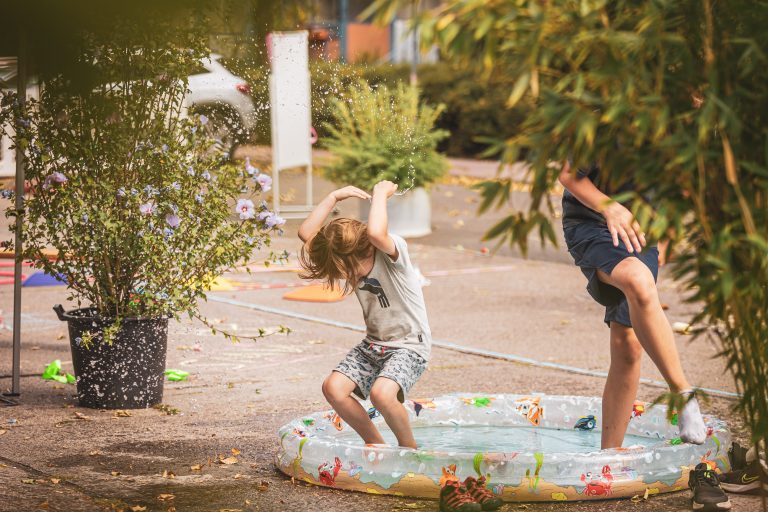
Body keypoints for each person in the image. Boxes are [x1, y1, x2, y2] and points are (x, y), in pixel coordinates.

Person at [558, 160, 708, 450]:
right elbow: (569, 175)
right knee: (638, 281)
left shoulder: (687, 129)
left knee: (627, 345)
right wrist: (610, 207)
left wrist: (665, 239)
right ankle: (683, 394)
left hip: (643, 233)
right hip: (593, 225)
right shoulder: (603, 117)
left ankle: (608, 457)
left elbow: (682, 192)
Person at [297, 181, 430, 450]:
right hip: (373, 344)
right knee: (333, 388)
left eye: (347, 268)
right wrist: (333, 196)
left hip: (409, 346)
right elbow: (306, 233)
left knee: (382, 394)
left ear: (367, 250)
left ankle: (409, 450)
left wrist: (380, 193)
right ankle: (375, 443)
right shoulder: (346, 254)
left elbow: (378, 234)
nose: (345, 274)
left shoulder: (391, 254)